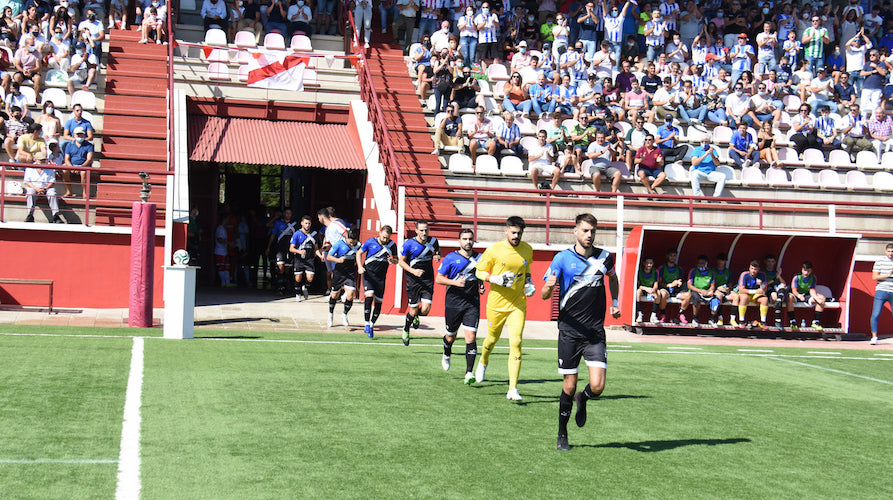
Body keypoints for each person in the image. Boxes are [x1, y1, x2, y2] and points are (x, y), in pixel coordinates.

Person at [541, 213, 619, 451]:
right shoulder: (562, 259)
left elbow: (613, 277)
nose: (589, 235)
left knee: (597, 387)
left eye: (593, 231)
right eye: (585, 230)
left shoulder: (605, 258)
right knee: (569, 384)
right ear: (575, 231)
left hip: (595, 332)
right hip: (570, 331)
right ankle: (562, 433)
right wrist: (548, 287)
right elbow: (544, 294)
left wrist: (615, 301)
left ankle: (583, 399)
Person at [474, 216, 535, 401]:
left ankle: (513, 388)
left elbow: (526, 271)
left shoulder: (527, 249)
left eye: (519, 233)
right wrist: (494, 279)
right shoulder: (494, 250)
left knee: (516, 342)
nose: (516, 236)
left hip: (518, 304)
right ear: (506, 231)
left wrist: (529, 284)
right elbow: (478, 270)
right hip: (496, 303)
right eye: (513, 232)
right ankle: (483, 361)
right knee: (492, 338)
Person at [435, 228, 483, 383]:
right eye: (465, 239)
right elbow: (439, 278)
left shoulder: (480, 258)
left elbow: (481, 273)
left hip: (472, 303)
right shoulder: (450, 258)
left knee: (471, 336)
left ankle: (469, 372)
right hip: (454, 303)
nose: (468, 242)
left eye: (470, 239)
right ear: (459, 241)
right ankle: (446, 352)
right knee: (451, 336)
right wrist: (455, 282)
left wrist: (481, 284)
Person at [398, 220, 441, 345]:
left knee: (426, 310)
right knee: (412, 310)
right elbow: (401, 262)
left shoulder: (433, 241)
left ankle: (417, 315)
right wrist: (413, 271)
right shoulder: (409, 244)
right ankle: (406, 329)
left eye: (426, 230)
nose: (424, 232)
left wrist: (437, 256)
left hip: (428, 279)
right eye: (421, 230)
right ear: (416, 230)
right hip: (413, 281)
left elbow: (437, 251)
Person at [357, 225, 398, 338]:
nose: (385, 240)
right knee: (369, 296)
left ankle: (372, 324)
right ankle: (366, 323)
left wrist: (392, 260)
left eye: (387, 238)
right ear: (379, 233)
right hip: (368, 274)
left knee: (378, 302)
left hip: (381, 277)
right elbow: (359, 253)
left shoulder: (392, 245)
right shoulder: (370, 242)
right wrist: (360, 267)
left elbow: (397, 260)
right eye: (384, 237)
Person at [326, 227, 361, 328]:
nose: (351, 243)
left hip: (350, 273)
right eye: (350, 241)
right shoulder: (339, 244)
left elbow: (359, 255)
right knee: (334, 295)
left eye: (353, 241)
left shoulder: (358, 245)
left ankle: (345, 314)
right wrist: (338, 260)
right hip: (339, 272)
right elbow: (329, 256)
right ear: (347, 238)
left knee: (350, 295)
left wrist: (358, 265)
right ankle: (330, 314)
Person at [786, 261, 827, 334]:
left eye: (808, 271)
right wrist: (799, 296)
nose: (806, 273)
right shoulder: (796, 277)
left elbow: (812, 290)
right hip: (796, 295)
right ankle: (793, 321)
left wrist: (817, 298)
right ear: (802, 269)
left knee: (821, 299)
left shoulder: (813, 277)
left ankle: (815, 322)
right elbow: (794, 290)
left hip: (807, 296)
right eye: (805, 270)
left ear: (811, 271)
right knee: (789, 297)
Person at [22, 151, 63, 224]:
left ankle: (55, 215)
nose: (43, 162)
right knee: (30, 192)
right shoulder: (29, 168)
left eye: (44, 160)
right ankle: (30, 214)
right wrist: (36, 188)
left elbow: (52, 181)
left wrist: (45, 188)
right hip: (34, 187)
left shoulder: (49, 168)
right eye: (41, 160)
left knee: (52, 193)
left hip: (47, 188)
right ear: (35, 160)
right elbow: (27, 181)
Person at [679, 254, 717, 326]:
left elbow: (712, 286)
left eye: (702, 264)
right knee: (696, 298)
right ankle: (695, 318)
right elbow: (689, 285)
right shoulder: (693, 271)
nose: (700, 265)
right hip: (695, 291)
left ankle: (712, 319)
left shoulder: (711, 273)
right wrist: (700, 291)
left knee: (716, 299)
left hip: (706, 292)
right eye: (699, 263)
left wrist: (708, 291)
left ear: (706, 263)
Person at [266, 208, 297, 294]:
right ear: (284, 214)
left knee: (287, 268)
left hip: (290, 249)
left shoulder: (294, 224)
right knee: (281, 268)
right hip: (280, 248)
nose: (288, 215)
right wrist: (268, 247)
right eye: (286, 213)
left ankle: (285, 283)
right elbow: (272, 235)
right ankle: (280, 286)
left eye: (290, 213)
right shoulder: (278, 223)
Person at [731, 259, 769, 329]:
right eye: (752, 268)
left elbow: (764, 290)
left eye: (755, 269)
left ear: (758, 270)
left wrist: (761, 285)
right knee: (744, 297)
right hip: (745, 294)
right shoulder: (744, 274)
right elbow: (741, 290)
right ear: (749, 268)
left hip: (755, 296)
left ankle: (763, 322)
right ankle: (741, 321)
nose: (753, 271)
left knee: (765, 299)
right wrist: (755, 291)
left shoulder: (762, 275)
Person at [288, 215, 318, 303]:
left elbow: (316, 248)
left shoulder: (314, 234)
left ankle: (305, 287)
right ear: (302, 223)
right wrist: (299, 251)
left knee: (310, 278)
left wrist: (320, 255)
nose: (307, 225)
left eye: (309, 223)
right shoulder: (297, 234)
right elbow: (291, 248)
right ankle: (298, 294)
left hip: (310, 259)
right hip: (299, 259)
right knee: (298, 278)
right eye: (306, 223)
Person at [869, 243, 893, 345]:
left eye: (892, 252)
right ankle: (874, 337)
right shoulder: (880, 261)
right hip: (881, 291)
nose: (891, 253)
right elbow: (874, 277)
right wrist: (888, 275)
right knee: (876, 314)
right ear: (885, 251)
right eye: (889, 251)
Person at [61, 125, 93, 198]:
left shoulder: (89, 145)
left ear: (84, 135)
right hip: (72, 165)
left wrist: (81, 167)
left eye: (81, 134)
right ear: (74, 135)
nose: (80, 136)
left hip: (83, 165)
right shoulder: (69, 145)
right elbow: (66, 158)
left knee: (84, 173)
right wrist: (71, 167)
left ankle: (85, 192)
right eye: (78, 134)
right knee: (64, 170)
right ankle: (69, 191)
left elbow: (89, 159)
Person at [762, 253, 789, 330]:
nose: (770, 264)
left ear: (775, 262)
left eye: (772, 261)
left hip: (779, 291)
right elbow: (764, 284)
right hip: (769, 291)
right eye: (769, 261)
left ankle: (779, 300)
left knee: (782, 287)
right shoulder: (763, 272)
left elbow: (784, 283)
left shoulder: (776, 272)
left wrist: (779, 276)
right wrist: (774, 279)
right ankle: (778, 320)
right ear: (765, 262)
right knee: (775, 295)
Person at [635, 256, 660, 323]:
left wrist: (652, 290)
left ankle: (653, 315)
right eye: (647, 263)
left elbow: (656, 284)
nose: (649, 265)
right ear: (644, 263)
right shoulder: (639, 271)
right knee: (638, 292)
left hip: (651, 290)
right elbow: (638, 285)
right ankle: (639, 314)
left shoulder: (655, 271)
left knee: (658, 294)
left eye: (651, 263)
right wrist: (646, 289)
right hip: (643, 289)